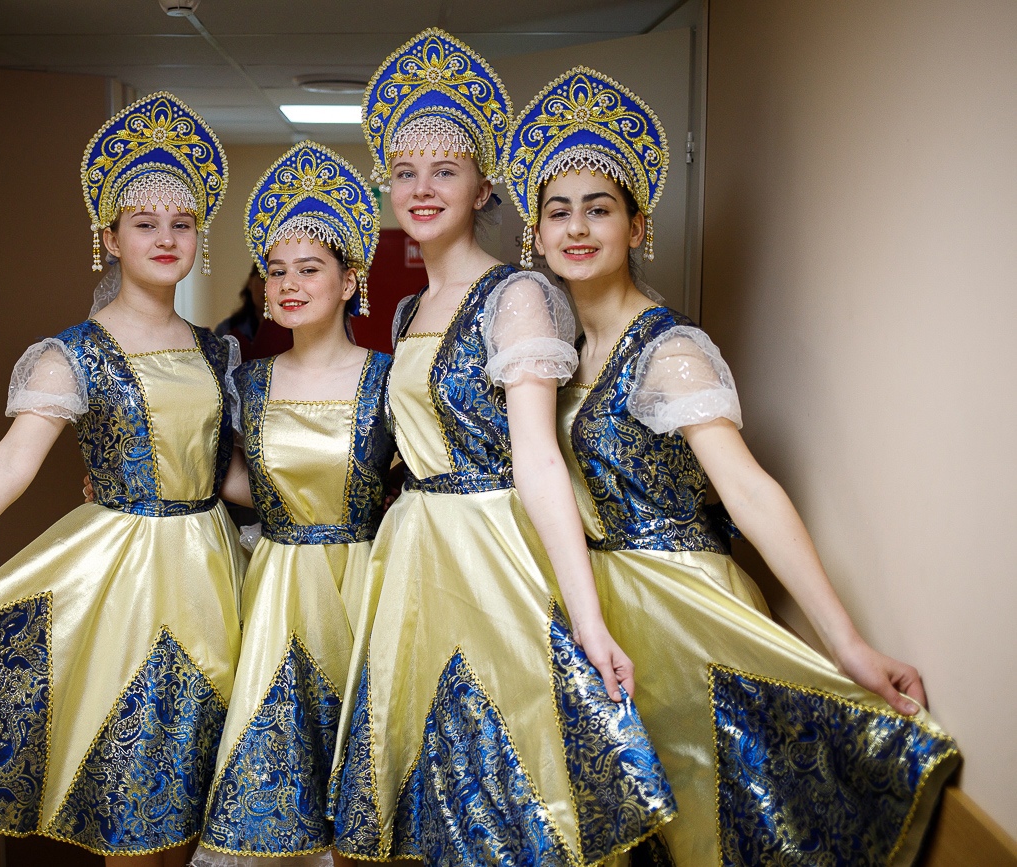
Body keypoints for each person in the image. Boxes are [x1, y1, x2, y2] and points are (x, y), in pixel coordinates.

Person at [501, 66, 960, 866]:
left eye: (599, 208)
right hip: (601, 608)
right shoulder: (559, 350)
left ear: (637, 226)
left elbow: (747, 488)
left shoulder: (670, 351)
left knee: (707, 826)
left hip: (679, 611)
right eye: (559, 211)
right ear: (535, 234)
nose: (577, 228)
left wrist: (847, 642)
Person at [0, 92, 248, 866]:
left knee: (198, 809)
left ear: (199, 237)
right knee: (135, 805)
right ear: (109, 237)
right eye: (144, 223)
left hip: (216, 580)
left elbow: (231, 477)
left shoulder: (216, 350)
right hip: (128, 591)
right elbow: (10, 465)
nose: (165, 238)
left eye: (181, 223)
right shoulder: (72, 355)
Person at [328, 30, 675, 865]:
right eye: (404, 171)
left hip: (492, 553)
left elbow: (539, 457)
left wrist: (587, 619)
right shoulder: (407, 309)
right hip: (414, 558)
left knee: (515, 788)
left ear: (483, 187)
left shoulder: (516, 295)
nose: (421, 189)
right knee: (426, 790)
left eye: (444, 170)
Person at [192, 141, 393, 867]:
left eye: (309, 268)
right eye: (276, 270)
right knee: (278, 778)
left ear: (348, 281)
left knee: (364, 784)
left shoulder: (390, 377)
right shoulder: (246, 382)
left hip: (366, 583)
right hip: (277, 587)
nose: (288, 284)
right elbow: (237, 483)